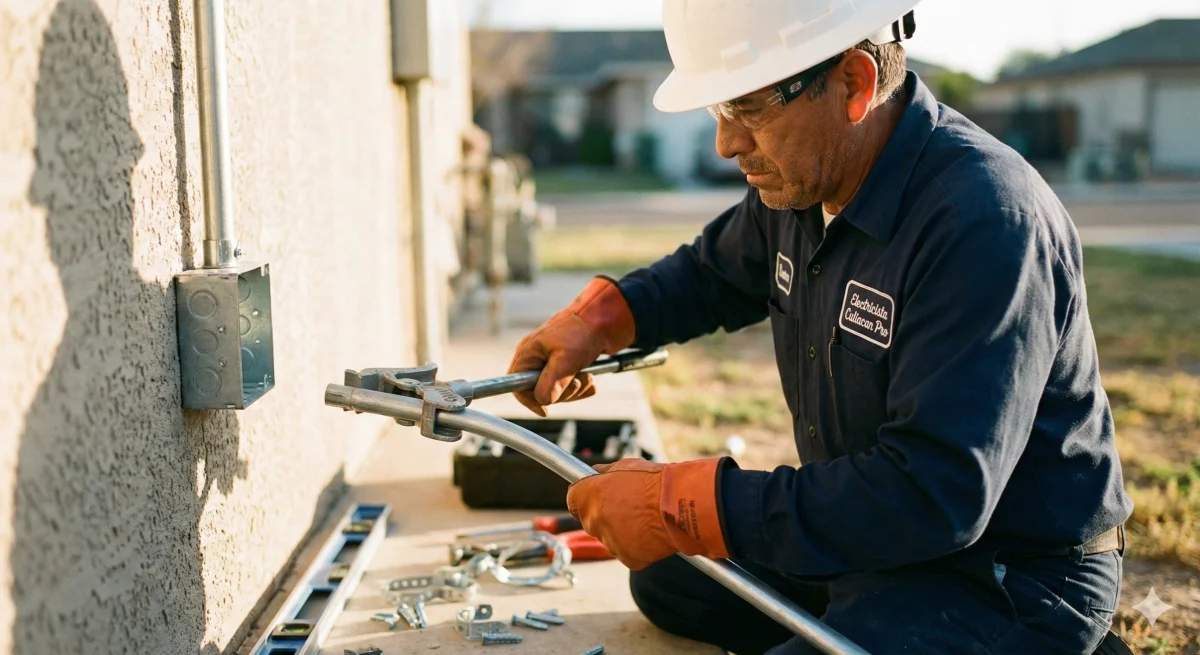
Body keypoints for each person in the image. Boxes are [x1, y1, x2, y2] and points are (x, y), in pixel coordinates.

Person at [506, 1, 1133, 653]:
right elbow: (708, 276)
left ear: (855, 83)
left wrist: (692, 503)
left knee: (690, 535)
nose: (726, 143)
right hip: (875, 541)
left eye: (746, 108)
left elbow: (935, 493)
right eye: (719, 108)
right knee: (668, 577)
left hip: (1002, 576)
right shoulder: (803, 184)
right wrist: (597, 321)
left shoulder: (983, 220)